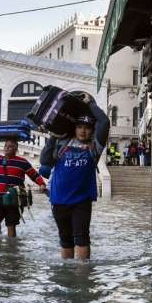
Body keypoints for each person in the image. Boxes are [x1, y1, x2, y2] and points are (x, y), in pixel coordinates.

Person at [40, 99, 109, 260]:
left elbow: (104, 122)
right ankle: (68, 274)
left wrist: (90, 103)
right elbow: (45, 160)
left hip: (81, 201)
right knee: (65, 240)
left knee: (82, 238)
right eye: (79, 127)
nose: (83, 131)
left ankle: (83, 277)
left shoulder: (95, 147)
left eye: (87, 128)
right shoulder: (62, 142)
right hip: (58, 200)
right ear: (74, 128)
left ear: (92, 130)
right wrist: (52, 137)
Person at [0, 137, 47, 237]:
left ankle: (11, 250)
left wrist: (42, 184)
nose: (7, 148)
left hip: (15, 199)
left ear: (16, 149)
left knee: (11, 226)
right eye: (5, 146)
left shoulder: (22, 162)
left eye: (10, 146)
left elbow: (34, 175)